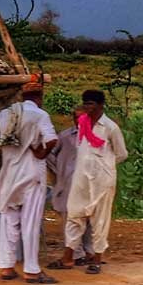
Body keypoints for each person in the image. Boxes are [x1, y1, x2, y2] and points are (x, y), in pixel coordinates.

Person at [0, 77, 58, 284]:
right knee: (30, 222)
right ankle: (31, 271)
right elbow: (52, 139)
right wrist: (41, 153)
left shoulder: (7, 113)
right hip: (32, 175)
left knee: (9, 221)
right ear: (39, 97)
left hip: (10, 174)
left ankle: (7, 267)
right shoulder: (40, 115)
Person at [63, 90, 128, 274]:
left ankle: (97, 259)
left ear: (101, 105)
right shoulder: (82, 124)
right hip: (81, 179)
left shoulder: (110, 127)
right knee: (74, 215)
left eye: (91, 104)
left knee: (100, 220)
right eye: (85, 103)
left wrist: (103, 166)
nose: (87, 107)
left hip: (102, 181)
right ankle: (67, 257)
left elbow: (121, 153)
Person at [45, 108, 93, 269]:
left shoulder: (96, 135)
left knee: (88, 219)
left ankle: (89, 252)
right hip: (69, 184)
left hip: (90, 184)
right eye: (76, 117)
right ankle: (77, 254)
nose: (78, 120)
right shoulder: (65, 136)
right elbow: (49, 153)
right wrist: (59, 170)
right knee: (70, 218)